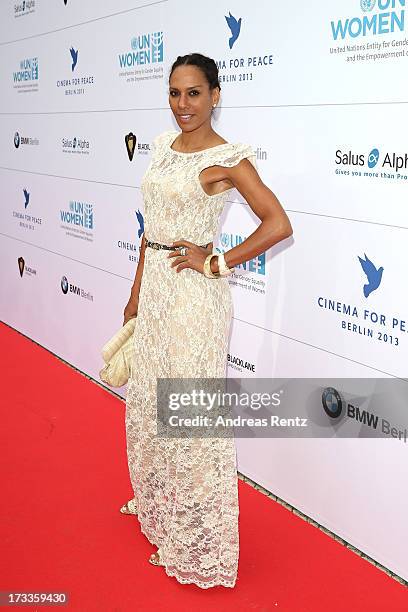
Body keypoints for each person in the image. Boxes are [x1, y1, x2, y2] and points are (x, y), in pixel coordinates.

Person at [120, 52, 292, 589]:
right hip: (156, 291)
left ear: (215, 95)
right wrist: (136, 292)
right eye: (174, 93)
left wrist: (217, 260)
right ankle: (162, 510)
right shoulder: (159, 147)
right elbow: (151, 229)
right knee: (150, 400)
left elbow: (278, 223)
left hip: (196, 301)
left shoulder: (227, 158)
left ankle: (197, 542)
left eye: (194, 93)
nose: (182, 105)